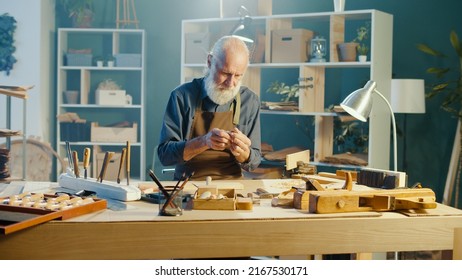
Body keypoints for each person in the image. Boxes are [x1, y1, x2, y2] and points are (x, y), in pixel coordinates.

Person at [157, 35, 261, 180]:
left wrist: (243, 152)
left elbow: (254, 162)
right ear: (210, 61)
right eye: (225, 73)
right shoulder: (182, 96)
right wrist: (204, 141)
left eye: (238, 76)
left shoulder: (249, 100)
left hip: (233, 188)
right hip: (187, 186)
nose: (231, 83)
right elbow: (165, 156)